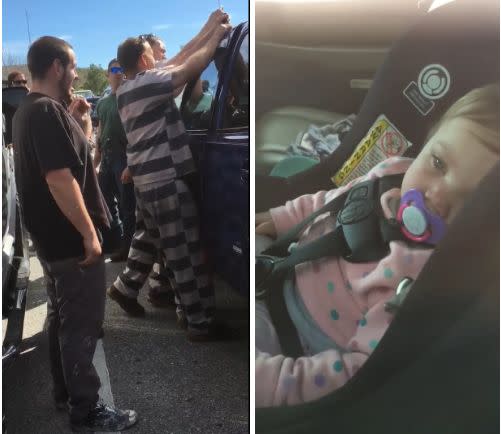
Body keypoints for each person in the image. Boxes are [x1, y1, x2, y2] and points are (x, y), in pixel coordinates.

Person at [254, 84, 499, 407]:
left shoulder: (425, 284)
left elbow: (358, 373)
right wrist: (279, 217)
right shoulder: (393, 172)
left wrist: (277, 383)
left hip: (302, 348)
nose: (437, 196)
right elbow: (329, 204)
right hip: (282, 271)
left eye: (471, 201)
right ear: (427, 143)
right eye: (438, 163)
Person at [12, 36, 138, 431]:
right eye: (73, 66)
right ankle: (88, 411)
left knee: (63, 320)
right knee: (80, 327)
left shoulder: (30, 111)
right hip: (69, 242)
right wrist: (89, 234)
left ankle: (66, 395)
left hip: (52, 242)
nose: (78, 74)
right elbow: (60, 179)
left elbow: (68, 157)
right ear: (56, 68)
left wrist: (79, 121)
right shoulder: (45, 112)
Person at [107, 10, 232, 341]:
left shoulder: (130, 86)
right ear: (143, 60)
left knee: (169, 248)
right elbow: (189, 67)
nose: (157, 56)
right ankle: (199, 324)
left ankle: (138, 291)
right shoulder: (146, 85)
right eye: (151, 53)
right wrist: (218, 38)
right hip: (165, 184)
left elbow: (180, 55)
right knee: (186, 254)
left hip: (150, 186)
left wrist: (210, 26)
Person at [93, 59, 136, 262]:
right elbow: (100, 131)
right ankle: (114, 241)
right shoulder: (102, 103)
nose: (118, 73)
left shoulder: (130, 97)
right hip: (107, 157)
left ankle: (129, 247)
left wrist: (131, 162)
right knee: (106, 202)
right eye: (114, 69)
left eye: (121, 69)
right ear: (107, 74)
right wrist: (96, 159)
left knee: (127, 204)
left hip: (124, 156)